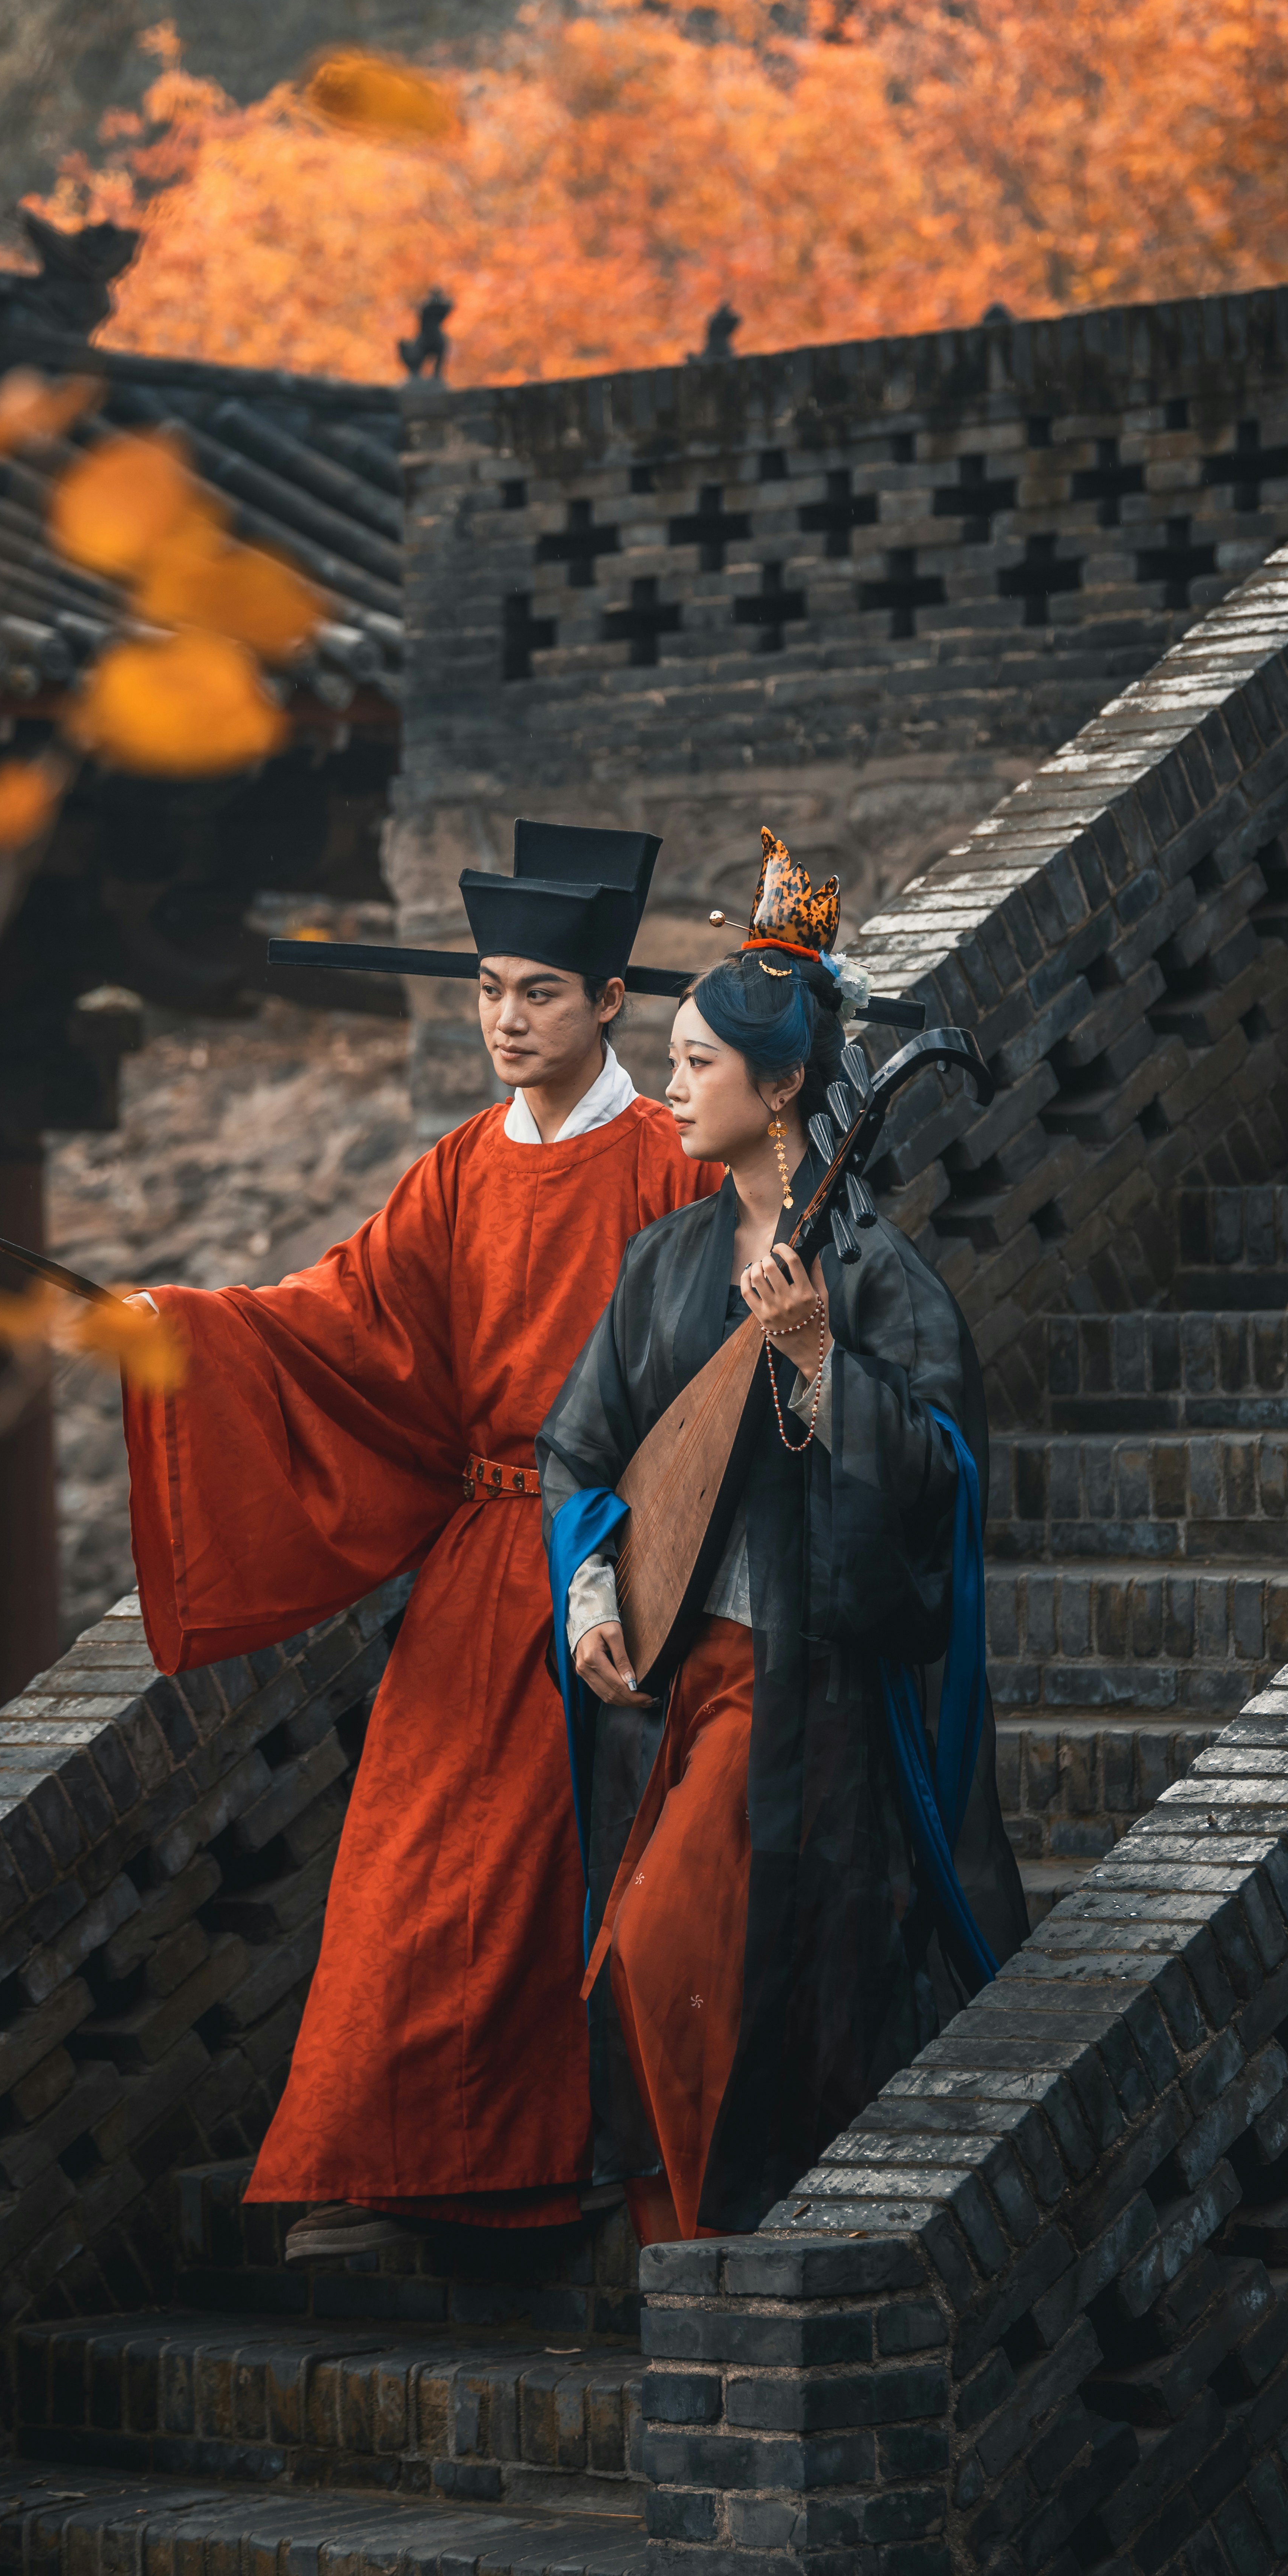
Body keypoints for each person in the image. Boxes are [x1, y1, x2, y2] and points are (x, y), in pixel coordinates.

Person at [121, 822, 724, 2257]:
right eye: (487, 991)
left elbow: (713, 1377)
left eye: (538, 994)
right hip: (476, 1566)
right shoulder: (455, 1168)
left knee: (538, 1865)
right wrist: (185, 1325)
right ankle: (391, 2161)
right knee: (407, 1857)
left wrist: (651, 1568)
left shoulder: (666, 1165)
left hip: (619, 1557)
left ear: (608, 1003)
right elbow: (346, 1321)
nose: (506, 1021)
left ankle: (522, 2166)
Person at [538, 828, 1027, 2245]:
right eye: (675, 1056)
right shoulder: (666, 1264)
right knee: (650, 1959)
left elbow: (938, 1479)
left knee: (714, 1951)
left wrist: (818, 1360)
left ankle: (730, 2250)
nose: (672, 1084)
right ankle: (685, 2242)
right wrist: (589, 1597)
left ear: (786, 1085)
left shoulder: (875, 1274)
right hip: (675, 1682)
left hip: (808, 1690)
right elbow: (578, 1442)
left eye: (698, 1064)